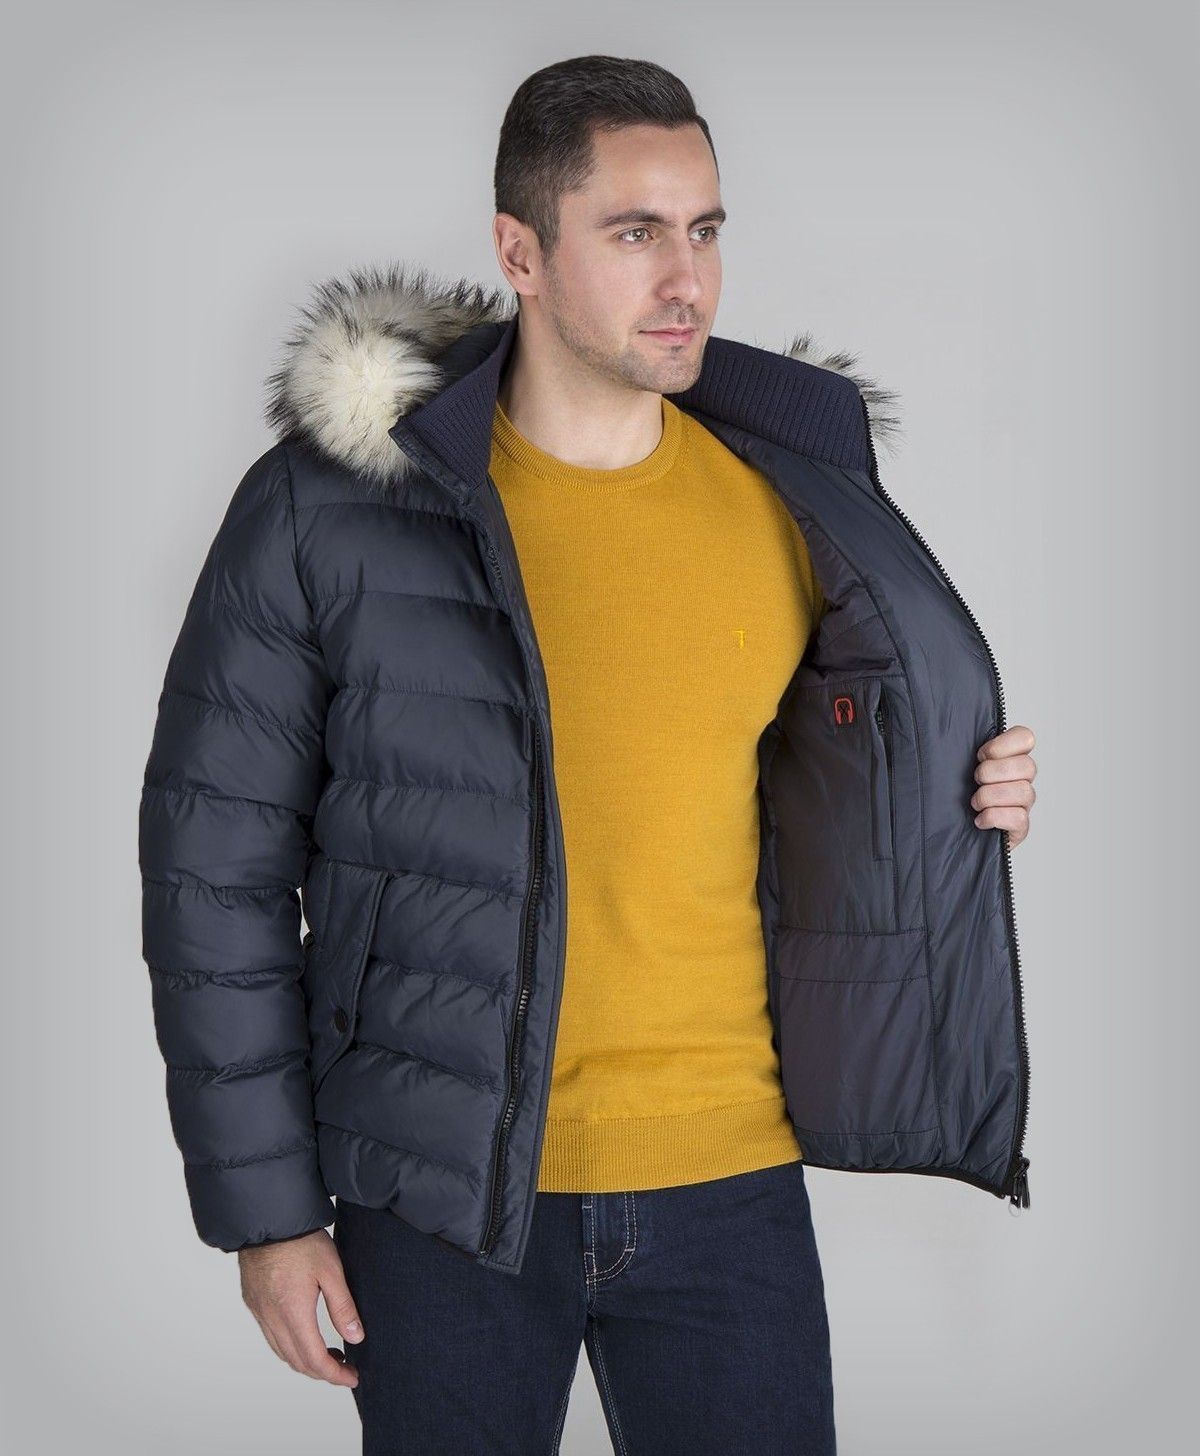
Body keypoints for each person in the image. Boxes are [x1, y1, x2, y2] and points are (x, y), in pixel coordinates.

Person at [139, 54, 1037, 1455]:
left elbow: (830, 787)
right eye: (634, 233)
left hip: (729, 1178)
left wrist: (959, 793)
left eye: (706, 229)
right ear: (521, 253)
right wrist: (267, 1216)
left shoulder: (793, 497)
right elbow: (215, 870)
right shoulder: (334, 507)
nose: (687, 279)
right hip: (440, 1199)